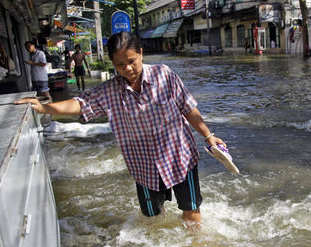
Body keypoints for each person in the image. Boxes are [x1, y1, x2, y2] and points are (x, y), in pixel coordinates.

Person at [15, 31, 226, 230]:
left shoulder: (164, 75)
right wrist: (45, 107)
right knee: (153, 219)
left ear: (141, 53)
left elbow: (188, 108)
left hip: (179, 157)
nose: (128, 69)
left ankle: (195, 245)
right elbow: (79, 104)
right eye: (120, 65)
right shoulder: (110, 91)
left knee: (191, 210)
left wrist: (208, 135)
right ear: (113, 64)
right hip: (143, 167)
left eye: (132, 61)